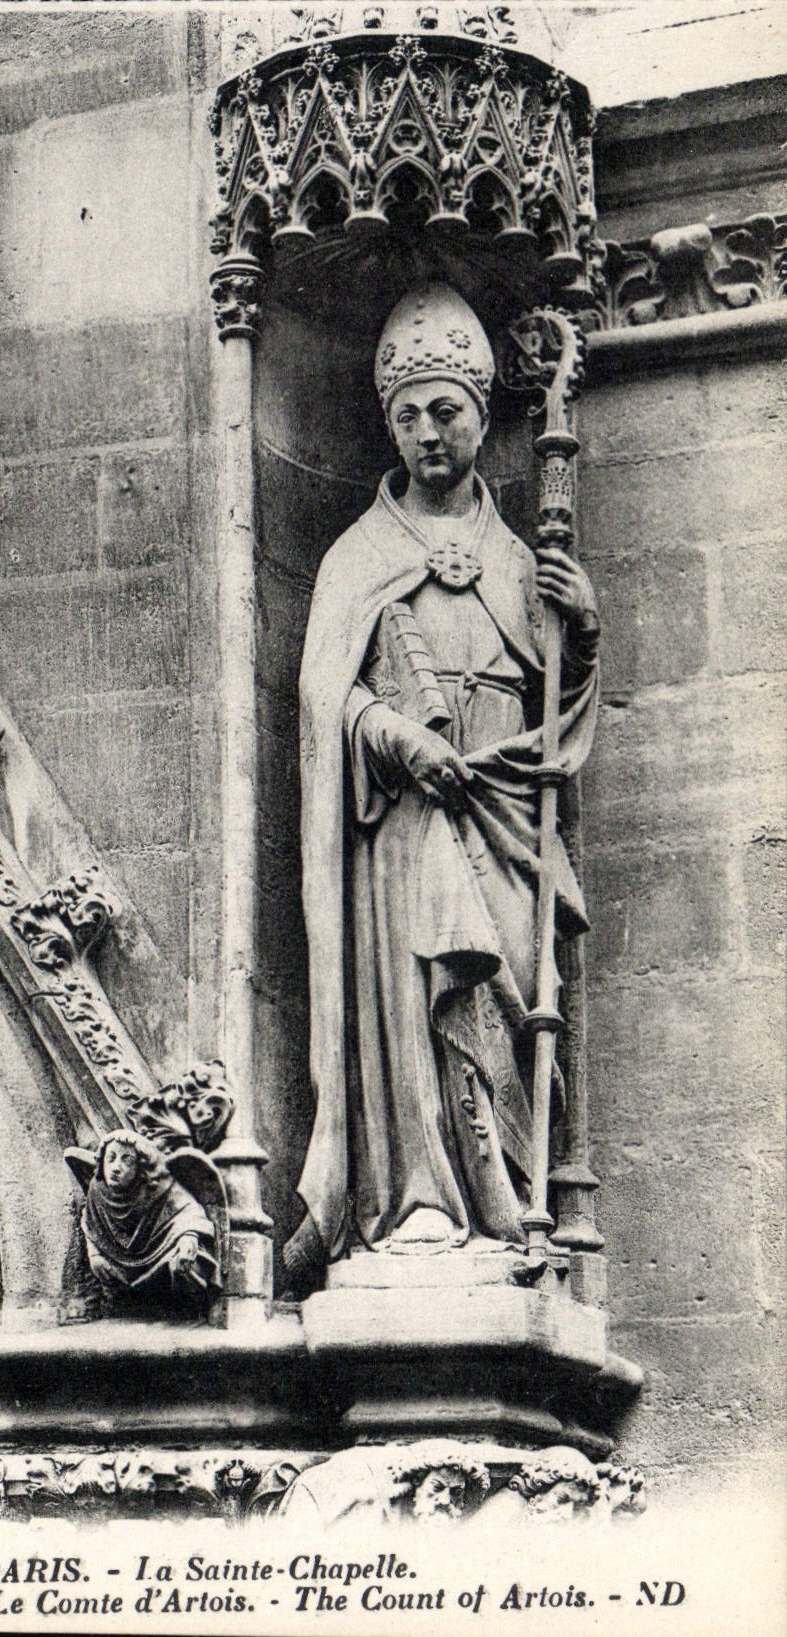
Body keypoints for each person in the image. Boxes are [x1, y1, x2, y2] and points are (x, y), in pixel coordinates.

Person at [287, 285, 600, 1283]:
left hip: (507, 816)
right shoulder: (358, 557)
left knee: (513, 1000)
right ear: (388, 422)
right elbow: (321, 696)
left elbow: (561, 717)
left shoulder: (524, 561)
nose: (429, 431)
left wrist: (582, 628)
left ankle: (513, 1202)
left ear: (480, 415)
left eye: (448, 411)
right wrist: (390, 735)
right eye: (409, 414)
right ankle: (419, 1197)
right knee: (424, 995)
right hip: (411, 820)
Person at [81, 1129, 218, 1309]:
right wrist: (94, 1255)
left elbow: (189, 1210)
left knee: (188, 1263)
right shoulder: (98, 1190)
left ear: (140, 1166)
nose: (115, 1167)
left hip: (159, 1254)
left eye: (127, 1160)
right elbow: (90, 1223)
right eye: (111, 1158)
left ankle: (187, 1305)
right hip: (119, 1264)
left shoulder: (157, 1188)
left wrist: (188, 1237)